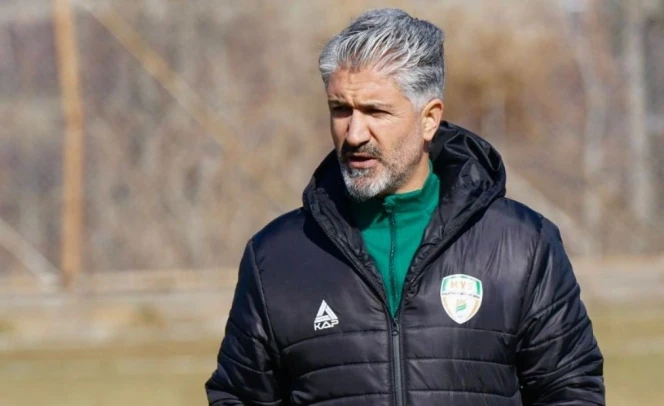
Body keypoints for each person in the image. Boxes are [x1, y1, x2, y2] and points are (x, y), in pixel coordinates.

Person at [206, 8, 605, 406]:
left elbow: (570, 390)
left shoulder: (522, 245)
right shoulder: (276, 257)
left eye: (375, 111)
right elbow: (237, 396)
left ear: (429, 119)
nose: (354, 133)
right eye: (341, 109)